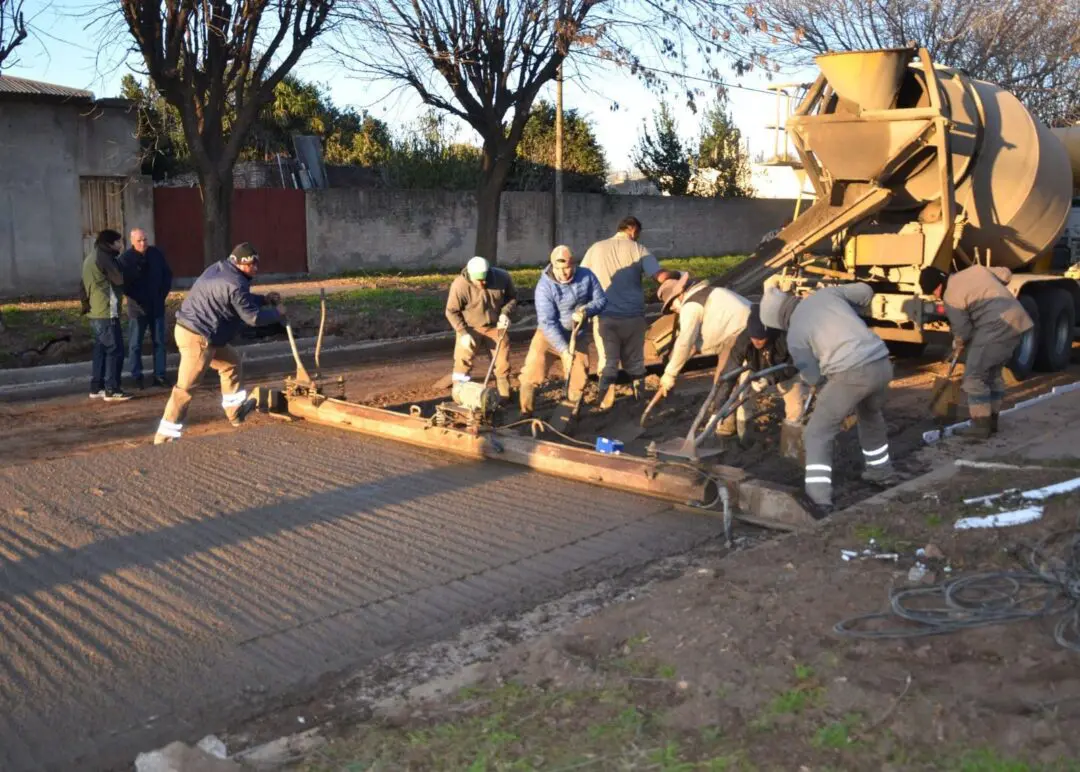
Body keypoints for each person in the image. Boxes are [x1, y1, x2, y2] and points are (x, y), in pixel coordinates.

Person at [760, 283, 893, 516]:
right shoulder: (827, 294)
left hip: (852, 374)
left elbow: (811, 376)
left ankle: (818, 498)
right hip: (882, 362)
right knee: (870, 415)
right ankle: (880, 471)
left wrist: (822, 373)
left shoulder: (795, 333)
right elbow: (865, 292)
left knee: (817, 433)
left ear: (780, 320)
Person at [154, 243, 284, 444]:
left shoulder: (220, 268)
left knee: (231, 363)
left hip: (195, 330)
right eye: (252, 264)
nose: (256, 268)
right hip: (198, 337)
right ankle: (165, 436)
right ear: (239, 263)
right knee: (185, 388)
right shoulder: (236, 284)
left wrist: (264, 299)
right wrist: (277, 314)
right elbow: (253, 318)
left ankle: (235, 412)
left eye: (257, 263)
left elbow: (240, 300)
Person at [920, 265, 1033, 439]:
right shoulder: (975, 270)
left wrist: (957, 345)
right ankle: (991, 421)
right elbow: (1006, 274)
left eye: (933, 293)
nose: (935, 296)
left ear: (938, 286)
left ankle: (980, 426)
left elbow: (963, 332)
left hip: (997, 327)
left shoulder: (951, 297)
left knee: (974, 377)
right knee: (992, 374)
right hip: (1018, 321)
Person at [581, 216, 674, 409]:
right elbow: (660, 276)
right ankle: (640, 400)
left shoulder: (595, 248)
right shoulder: (639, 250)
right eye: (638, 234)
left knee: (608, 361)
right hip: (633, 317)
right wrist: (679, 275)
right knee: (636, 362)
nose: (638, 238)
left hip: (604, 316)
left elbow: (581, 279)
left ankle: (605, 405)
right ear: (632, 230)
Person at [655, 272, 753, 437]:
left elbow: (685, 342)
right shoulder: (710, 293)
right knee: (730, 382)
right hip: (744, 331)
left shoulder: (691, 306)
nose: (673, 309)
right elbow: (695, 343)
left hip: (742, 335)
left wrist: (669, 374)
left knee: (730, 383)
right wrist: (679, 362)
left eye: (672, 304)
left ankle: (734, 428)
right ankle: (732, 424)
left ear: (680, 294)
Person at [519, 245, 607, 417]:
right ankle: (525, 412)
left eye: (567, 267)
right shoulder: (544, 286)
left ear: (573, 264)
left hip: (577, 335)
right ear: (552, 266)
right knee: (532, 372)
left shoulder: (586, 276)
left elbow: (601, 300)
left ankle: (571, 414)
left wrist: (586, 311)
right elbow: (547, 321)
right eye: (559, 269)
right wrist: (563, 349)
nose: (564, 273)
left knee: (579, 378)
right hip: (548, 336)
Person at [445, 256, 518, 401]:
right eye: (478, 280)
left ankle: (504, 397)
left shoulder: (502, 278)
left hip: (495, 327)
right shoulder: (460, 285)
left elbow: (512, 298)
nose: (482, 283)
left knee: (502, 363)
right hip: (470, 328)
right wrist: (463, 333)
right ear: (470, 275)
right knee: (463, 362)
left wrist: (505, 314)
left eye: (484, 279)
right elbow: (451, 311)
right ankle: (459, 396)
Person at [735, 303, 809, 440]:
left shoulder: (786, 336)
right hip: (754, 367)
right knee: (743, 398)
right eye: (753, 338)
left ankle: (791, 442)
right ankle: (744, 436)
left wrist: (769, 379)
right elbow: (730, 369)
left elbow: (794, 364)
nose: (757, 342)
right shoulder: (743, 340)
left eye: (761, 339)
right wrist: (717, 409)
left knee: (795, 406)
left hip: (785, 369)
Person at [80, 229, 132, 402]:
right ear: (111, 243)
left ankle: (97, 387)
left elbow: (82, 284)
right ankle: (112, 389)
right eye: (119, 242)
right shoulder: (105, 258)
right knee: (114, 350)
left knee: (101, 350)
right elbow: (119, 280)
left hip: (95, 311)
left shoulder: (91, 257)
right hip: (106, 310)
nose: (121, 245)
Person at [118, 228, 173, 388]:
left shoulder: (156, 254)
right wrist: (137, 299)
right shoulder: (126, 259)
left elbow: (167, 275)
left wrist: (161, 294)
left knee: (160, 342)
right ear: (132, 242)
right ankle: (136, 376)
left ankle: (160, 375)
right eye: (139, 241)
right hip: (137, 309)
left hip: (156, 306)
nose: (143, 243)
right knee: (135, 344)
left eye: (145, 240)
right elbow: (124, 285)